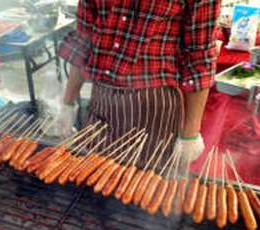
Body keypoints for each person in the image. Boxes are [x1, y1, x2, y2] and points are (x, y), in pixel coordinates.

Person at [55, 0, 221, 166]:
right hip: (100, 101)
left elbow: (200, 55)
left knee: (149, 187)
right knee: (91, 178)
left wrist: (190, 133)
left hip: (153, 110)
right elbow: (84, 37)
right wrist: (68, 103)